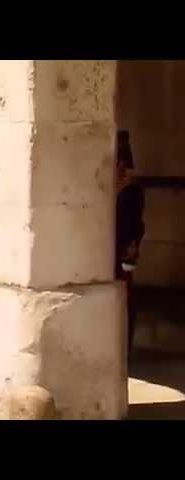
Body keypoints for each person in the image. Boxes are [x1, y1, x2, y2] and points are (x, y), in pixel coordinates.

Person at [115, 130, 145, 354]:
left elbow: (135, 225)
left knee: (126, 297)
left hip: (124, 250)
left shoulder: (132, 190)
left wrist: (131, 251)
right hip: (106, 249)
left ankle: (126, 347)